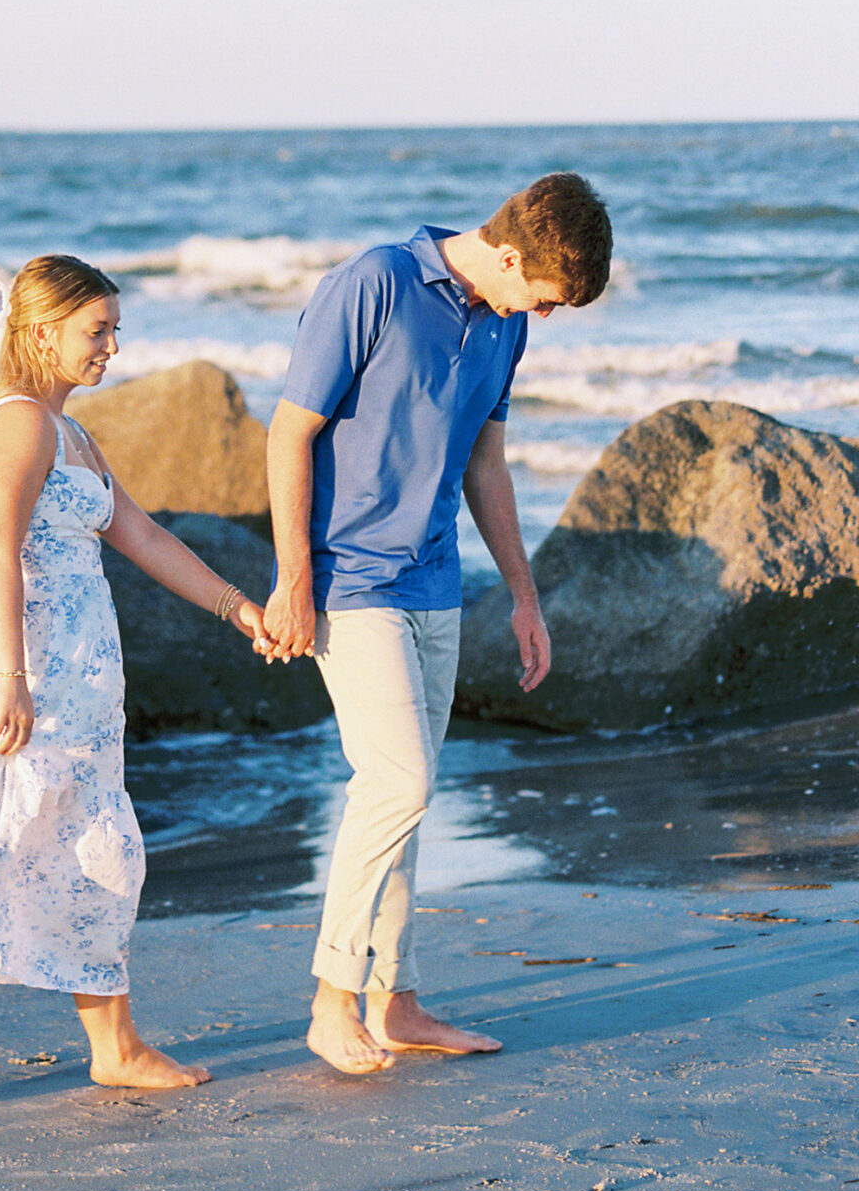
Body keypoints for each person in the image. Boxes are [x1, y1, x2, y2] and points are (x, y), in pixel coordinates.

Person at [0, 253, 278, 1108]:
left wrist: (237, 606)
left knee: (99, 846)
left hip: (82, 685)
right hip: (25, 674)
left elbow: (144, 537)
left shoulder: (73, 434)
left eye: (115, 330)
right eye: (98, 331)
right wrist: (12, 678)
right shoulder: (15, 422)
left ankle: (115, 1043)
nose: (112, 349)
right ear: (42, 331)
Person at [262, 173, 613, 1075]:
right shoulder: (372, 283)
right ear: (506, 254)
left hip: (433, 581)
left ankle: (398, 1001)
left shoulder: (503, 325)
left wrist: (523, 597)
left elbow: (485, 464)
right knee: (398, 782)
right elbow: (287, 434)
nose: (544, 313)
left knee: (403, 806)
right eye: (542, 293)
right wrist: (294, 581)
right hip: (349, 577)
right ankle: (330, 999)